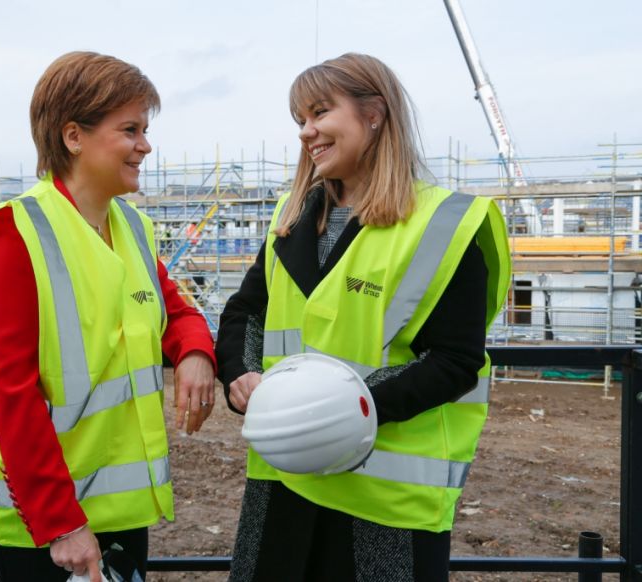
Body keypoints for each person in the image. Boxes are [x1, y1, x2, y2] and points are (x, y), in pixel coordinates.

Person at [216, 53, 511, 581]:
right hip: (283, 485)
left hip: (383, 503)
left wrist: (340, 412)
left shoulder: (446, 223)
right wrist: (239, 373)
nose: (307, 131)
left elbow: (454, 360)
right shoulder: (292, 217)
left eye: (320, 112)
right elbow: (244, 313)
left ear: (374, 113)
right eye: (299, 120)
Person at [0, 51, 217, 582]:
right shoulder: (15, 232)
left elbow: (175, 309)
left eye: (145, 129)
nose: (145, 146)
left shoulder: (132, 227)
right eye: (130, 129)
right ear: (73, 136)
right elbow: (13, 393)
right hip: (47, 524)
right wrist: (61, 524)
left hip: (120, 510)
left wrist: (195, 352)